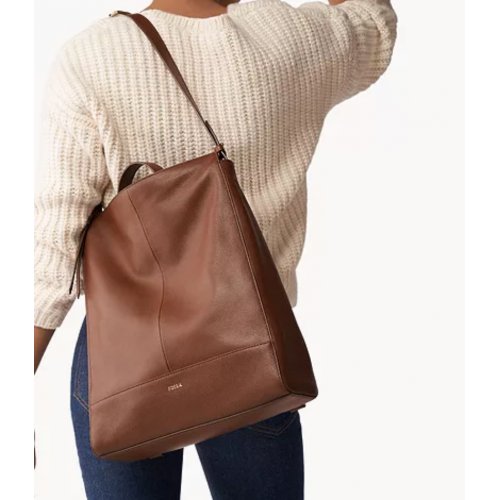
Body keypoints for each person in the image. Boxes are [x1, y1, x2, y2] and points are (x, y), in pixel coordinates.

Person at [34, 0, 397, 498]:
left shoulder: (91, 57)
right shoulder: (295, 38)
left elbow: (52, 253)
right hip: (251, 350)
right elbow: (373, 25)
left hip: (123, 359)